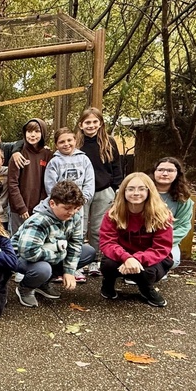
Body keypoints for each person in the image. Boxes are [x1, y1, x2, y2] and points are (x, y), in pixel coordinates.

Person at [11, 181, 96, 307]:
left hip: (51, 253)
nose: (72, 213)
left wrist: (69, 271)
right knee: (43, 269)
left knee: (88, 252)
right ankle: (26, 288)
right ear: (52, 203)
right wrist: (59, 253)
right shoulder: (38, 221)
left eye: (76, 208)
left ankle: (43, 283)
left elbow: (76, 244)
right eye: (67, 208)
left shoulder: (74, 217)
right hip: (22, 257)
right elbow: (28, 252)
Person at [99, 172, 173, 307]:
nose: (136, 193)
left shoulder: (162, 215)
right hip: (122, 257)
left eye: (141, 188)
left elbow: (161, 248)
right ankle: (108, 284)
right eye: (131, 189)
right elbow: (107, 242)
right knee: (107, 264)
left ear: (149, 191)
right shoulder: (113, 214)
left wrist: (137, 259)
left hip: (149, 258)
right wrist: (127, 258)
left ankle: (146, 289)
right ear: (123, 191)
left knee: (148, 273)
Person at [76, 107, 123, 276]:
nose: (91, 125)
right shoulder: (75, 143)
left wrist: (115, 187)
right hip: (80, 192)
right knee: (79, 229)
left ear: (100, 123)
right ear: (81, 125)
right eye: (87, 122)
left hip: (103, 190)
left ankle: (95, 260)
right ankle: (79, 261)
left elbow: (117, 166)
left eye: (95, 122)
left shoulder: (108, 142)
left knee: (97, 229)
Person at [44, 127, 95, 282]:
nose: (66, 144)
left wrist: (82, 201)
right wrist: (60, 204)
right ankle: (57, 269)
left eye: (69, 140)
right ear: (56, 144)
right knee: (59, 235)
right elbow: (50, 185)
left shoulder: (84, 159)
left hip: (79, 206)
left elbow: (89, 182)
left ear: (75, 140)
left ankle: (75, 268)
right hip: (60, 207)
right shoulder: (54, 162)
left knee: (78, 235)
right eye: (62, 142)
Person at [7, 118, 54, 229]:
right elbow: (12, 183)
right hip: (19, 209)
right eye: (29, 131)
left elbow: (49, 182)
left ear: (43, 133)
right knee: (17, 241)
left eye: (37, 131)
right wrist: (21, 207)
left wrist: (43, 206)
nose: (32, 135)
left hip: (40, 209)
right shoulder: (18, 155)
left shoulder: (48, 154)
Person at [150, 156, 193, 270]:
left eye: (170, 171)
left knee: (172, 260)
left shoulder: (183, 199)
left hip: (165, 240)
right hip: (139, 238)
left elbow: (184, 225)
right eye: (160, 170)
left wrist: (162, 241)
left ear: (177, 174)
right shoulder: (141, 192)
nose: (164, 173)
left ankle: (158, 271)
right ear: (154, 172)